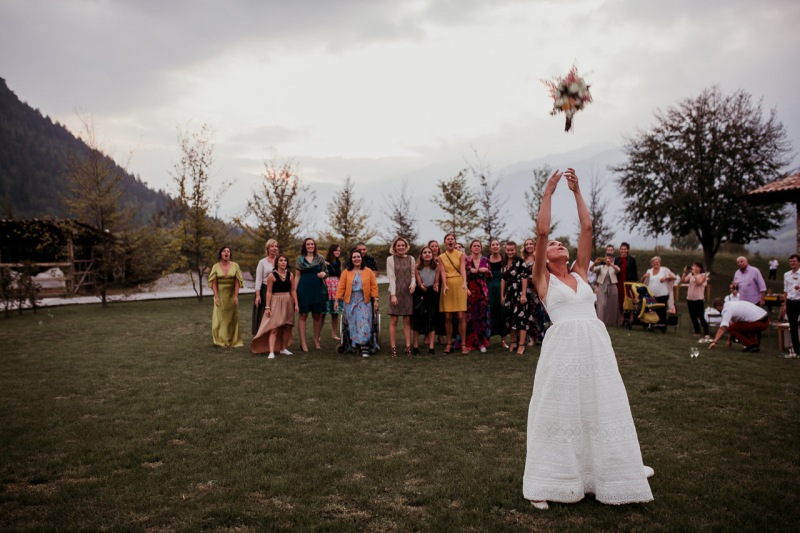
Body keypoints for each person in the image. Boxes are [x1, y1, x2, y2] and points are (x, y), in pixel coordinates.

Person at [523, 168, 653, 509]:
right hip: (563, 348)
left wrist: (577, 191)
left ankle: (608, 469)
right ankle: (544, 481)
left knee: (599, 405)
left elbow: (588, 228)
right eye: (552, 245)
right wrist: (548, 193)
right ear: (545, 258)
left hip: (595, 346)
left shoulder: (581, 273)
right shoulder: (542, 279)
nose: (556, 244)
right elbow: (540, 231)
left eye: (558, 243)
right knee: (558, 411)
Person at [251, 255, 299, 358]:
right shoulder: (271, 276)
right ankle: (271, 351)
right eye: (281, 260)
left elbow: (293, 290)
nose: (283, 262)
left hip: (287, 301)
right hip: (275, 301)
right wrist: (267, 307)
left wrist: (296, 304)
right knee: (274, 327)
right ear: (277, 263)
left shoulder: (291, 275)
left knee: (286, 326)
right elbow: (268, 292)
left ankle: (283, 349)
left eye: (285, 260)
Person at [335, 249, 379, 357]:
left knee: (363, 322)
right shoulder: (346, 272)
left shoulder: (368, 271)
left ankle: (364, 346)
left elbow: (374, 286)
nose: (356, 259)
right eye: (354, 257)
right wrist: (337, 300)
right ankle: (354, 345)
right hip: (350, 301)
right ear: (351, 259)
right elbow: (341, 286)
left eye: (358, 256)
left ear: (361, 258)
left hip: (364, 300)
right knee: (353, 324)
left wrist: (376, 300)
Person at [435, 233, 469, 354]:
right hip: (448, 285)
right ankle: (449, 343)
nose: (450, 241)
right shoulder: (441, 257)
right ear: (445, 242)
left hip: (459, 284)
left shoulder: (461, 255)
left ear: (455, 242)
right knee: (448, 316)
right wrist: (444, 285)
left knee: (461, 316)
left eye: (452, 239)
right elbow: (443, 272)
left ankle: (463, 344)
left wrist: (465, 282)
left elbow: (463, 269)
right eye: (448, 239)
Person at [294, 238, 328, 352]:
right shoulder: (300, 259)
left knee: (317, 316)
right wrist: (294, 292)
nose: (310, 246)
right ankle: (303, 344)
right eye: (308, 244)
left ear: (315, 245)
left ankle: (317, 341)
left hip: (317, 289)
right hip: (303, 289)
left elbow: (326, 272)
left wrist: (324, 273)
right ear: (305, 246)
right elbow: (297, 276)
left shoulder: (320, 258)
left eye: (312, 244)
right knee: (303, 315)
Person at [208, 246, 244, 348]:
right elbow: (214, 283)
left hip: (231, 295)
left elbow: (237, 282)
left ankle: (232, 340)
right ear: (220, 254)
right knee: (220, 318)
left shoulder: (235, 265)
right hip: (219, 295)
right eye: (224, 251)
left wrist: (236, 296)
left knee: (231, 318)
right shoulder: (215, 266)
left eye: (228, 251)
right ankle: (221, 340)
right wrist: (216, 297)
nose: (226, 253)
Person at [386, 237, 416, 357]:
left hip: (407, 292)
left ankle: (408, 347)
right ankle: (393, 348)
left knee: (407, 320)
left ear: (406, 246)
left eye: (403, 245)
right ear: (394, 247)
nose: (401, 247)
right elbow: (391, 277)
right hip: (395, 291)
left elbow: (413, 274)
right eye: (398, 245)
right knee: (394, 320)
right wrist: (393, 295)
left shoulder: (411, 259)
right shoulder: (390, 259)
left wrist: (413, 284)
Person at [500, 240, 529, 354]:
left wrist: (523, 294)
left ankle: (521, 345)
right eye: (508, 250)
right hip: (508, 293)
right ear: (505, 250)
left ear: (515, 250)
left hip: (518, 293)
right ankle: (513, 342)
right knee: (510, 319)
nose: (510, 252)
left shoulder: (520, 262)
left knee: (520, 319)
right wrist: (502, 296)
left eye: (512, 250)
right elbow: (503, 279)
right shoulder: (504, 262)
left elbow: (524, 278)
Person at [465, 239, 491, 353]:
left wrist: (485, 270)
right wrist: (471, 271)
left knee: (482, 317)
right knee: (470, 317)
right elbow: (463, 273)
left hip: (482, 291)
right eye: (474, 246)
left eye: (478, 246)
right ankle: (471, 343)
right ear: (471, 248)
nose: (476, 247)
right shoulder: (467, 260)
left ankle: (482, 343)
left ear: (480, 248)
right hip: (470, 291)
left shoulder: (485, 260)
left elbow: (490, 275)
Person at [412, 246, 438, 354]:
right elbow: (419, 282)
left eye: (429, 252)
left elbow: (437, 281)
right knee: (418, 318)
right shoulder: (417, 267)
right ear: (421, 255)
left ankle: (432, 347)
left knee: (431, 319)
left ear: (432, 255)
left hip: (432, 293)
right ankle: (415, 346)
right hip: (420, 293)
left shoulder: (437, 267)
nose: (427, 254)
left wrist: (436, 285)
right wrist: (420, 285)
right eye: (425, 252)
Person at [252, 239, 278, 335]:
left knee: (276, 316)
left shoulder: (280, 261)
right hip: (264, 290)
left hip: (277, 291)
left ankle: (275, 339)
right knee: (264, 315)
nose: (274, 248)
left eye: (276, 246)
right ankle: (261, 338)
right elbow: (258, 279)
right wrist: (258, 295)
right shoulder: (262, 262)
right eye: (272, 246)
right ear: (268, 248)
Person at [641, 256, 676, 327]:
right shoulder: (649, 271)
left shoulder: (664, 270)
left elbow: (674, 277)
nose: (655, 264)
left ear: (659, 263)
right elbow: (642, 282)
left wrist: (666, 277)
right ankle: (650, 323)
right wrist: (644, 276)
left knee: (661, 310)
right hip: (651, 295)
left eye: (657, 262)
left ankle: (661, 325)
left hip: (663, 295)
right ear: (652, 263)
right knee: (650, 308)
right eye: (654, 262)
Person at [591, 244, 621, 326]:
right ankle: (600, 321)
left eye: (610, 258)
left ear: (612, 259)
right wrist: (595, 263)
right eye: (607, 258)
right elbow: (591, 269)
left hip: (612, 286)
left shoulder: (614, 267)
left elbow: (618, 270)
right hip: (602, 286)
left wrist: (611, 264)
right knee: (602, 304)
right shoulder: (601, 267)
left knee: (611, 304)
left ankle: (611, 322)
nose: (608, 259)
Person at [681, 262, 710, 339]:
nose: (694, 267)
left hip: (698, 299)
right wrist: (685, 272)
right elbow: (683, 280)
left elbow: (698, 283)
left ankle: (707, 333)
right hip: (690, 298)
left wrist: (695, 274)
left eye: (696, 266)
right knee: (693, 316)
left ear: (700, 268)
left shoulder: (703, 275)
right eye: (693, 266)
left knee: (700, 316)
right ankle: (697, 332)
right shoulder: (691, 274)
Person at [780, 254, 800, 354]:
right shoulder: (786, 275)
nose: (792, 263)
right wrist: (785, 304)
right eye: (790, 261)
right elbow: (785, 291)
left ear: (799, 262)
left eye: (794, 261)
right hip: (791, 302)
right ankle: (796, 351)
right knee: (793, 327)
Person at [324, 244, 342, 341]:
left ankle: (334, 334)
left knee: (335, 312)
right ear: (331, 251)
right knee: (323, 312)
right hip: (327, 287)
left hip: (337, 287)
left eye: (339, 250)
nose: (338, 252)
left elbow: (341, 275)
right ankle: (318, 335)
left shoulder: (339, 262)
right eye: (336, 250)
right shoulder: (325, 262)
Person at [614, 242, 638, 312]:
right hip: (619, 281)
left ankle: (630, 316)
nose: (623, 251)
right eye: (622, 249)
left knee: (629, 298)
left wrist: (635, 282)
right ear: (620, 250)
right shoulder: (616, 259)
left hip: (628, 282)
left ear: (627, 250)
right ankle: (620, 316)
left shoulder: (632, 259)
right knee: (620, 298)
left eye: (625, 249)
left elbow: (635, 271)